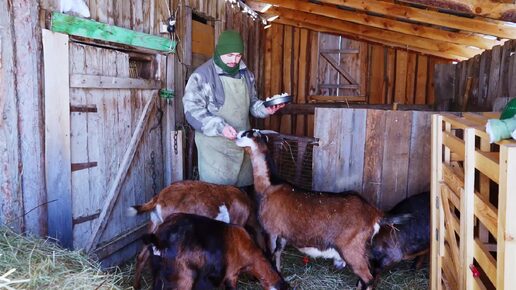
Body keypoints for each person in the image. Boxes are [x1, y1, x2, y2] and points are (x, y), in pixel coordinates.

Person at [183, 30, 284, 187]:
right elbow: (192, 111)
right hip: (216, 150)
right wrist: (220, 127)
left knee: (243, 195)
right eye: (229, 55)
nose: (234, 60)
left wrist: (265, 109)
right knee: (218, 199)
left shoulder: (246, 75)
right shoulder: (202, 76)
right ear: (220, 50)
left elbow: (252, 104)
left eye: (238, 55)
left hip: (242, 145)